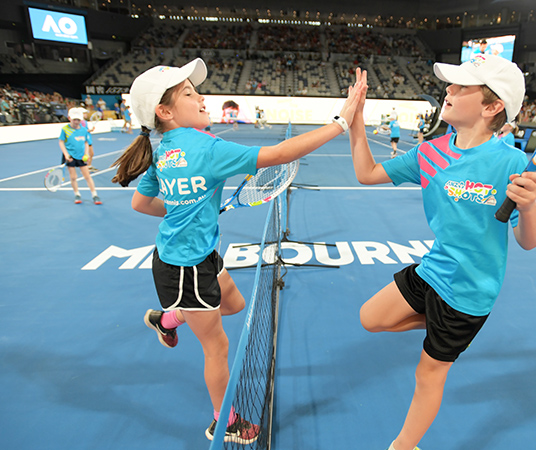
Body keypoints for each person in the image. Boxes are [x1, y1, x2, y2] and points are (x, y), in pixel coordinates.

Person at [110, 58, 365, 444]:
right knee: (217, 346)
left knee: (235, 304)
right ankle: (224, 421)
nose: (201, 98)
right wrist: (341, 122)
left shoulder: (162, 150)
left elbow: (141, 204)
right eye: (189, 93)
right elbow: (280, 154)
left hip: (197, 255)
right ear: (165, 112)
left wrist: (185, 210)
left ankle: (168, 320)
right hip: (185, 268)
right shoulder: (206, 148)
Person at [347, 55, 536, 450]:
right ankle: (451, 335)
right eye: (452, 84)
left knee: (428, 373)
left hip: (469, 292)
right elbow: (367, 174)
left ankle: (403, 446)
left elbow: (529, 240)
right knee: (370, 317)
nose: (448, 90)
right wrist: (355, 119)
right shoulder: (430, 153)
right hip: (434, 270)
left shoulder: (511, 162)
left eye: (461, 86)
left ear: (492, 107)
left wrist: (526, 208)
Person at [59, 108, 101, 204]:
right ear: (69, 118)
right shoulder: (65, 129)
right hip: (70, 156)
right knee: (73, 177)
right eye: (74, 119)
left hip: (82, 156)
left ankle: (94, 195)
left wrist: (86, 153)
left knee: (87, 176)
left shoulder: (84, 130)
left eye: (78, 120)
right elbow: (61, 142)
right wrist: (66, 154)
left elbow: (86, 142)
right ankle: (77, 194)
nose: (76, 122)